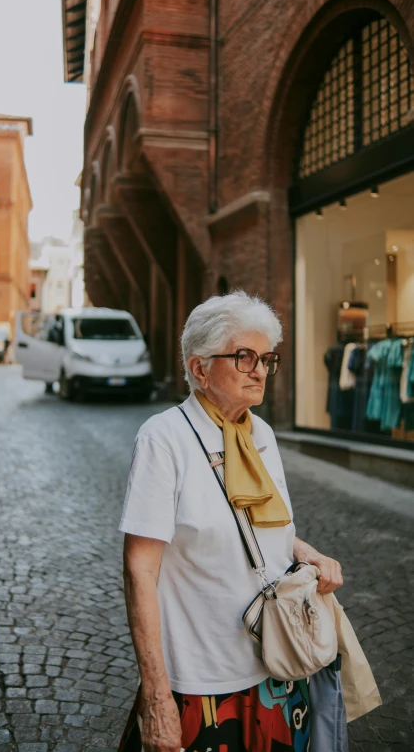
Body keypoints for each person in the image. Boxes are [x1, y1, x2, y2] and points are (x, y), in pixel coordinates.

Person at [118, 291, 344, 752]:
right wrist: (157, 696)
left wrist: (308, 553)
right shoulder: (164, 439)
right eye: (244, 357)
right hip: (203, 682)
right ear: (200, 368)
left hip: (276, 669)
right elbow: (139, 570)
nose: (260, 370)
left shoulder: (260, 433)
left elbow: (264, 528)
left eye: (265, 358)